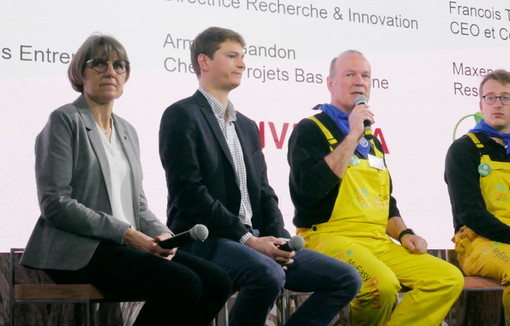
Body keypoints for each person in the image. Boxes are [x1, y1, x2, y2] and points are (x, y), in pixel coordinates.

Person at [20, 33, 231, 326]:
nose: (110, 71)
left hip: (124, 247)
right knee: (184, 284)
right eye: (99, 64)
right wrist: (129, 234)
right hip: (80, 251)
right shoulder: (65, 120)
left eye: (119, 65)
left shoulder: (127, 130)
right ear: (80, 72)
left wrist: (165, 235)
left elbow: (139, 205)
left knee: (217, 281)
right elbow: (55, 203)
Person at [159, 27, 361, 326]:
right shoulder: (182, 115)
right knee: (267, 274)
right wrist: (246, 239)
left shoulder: (248, 126)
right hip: (208, 240)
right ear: (204, 61)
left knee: (346, 278)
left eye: (243, 57)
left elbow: (264, 191)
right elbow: (188, 193)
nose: (242, 64)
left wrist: (278, 238)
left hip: (254, 238)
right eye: (231, 56)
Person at [287, 50, 464, 326]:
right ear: (331, 83)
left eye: (365, 76)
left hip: (376, 241)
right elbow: (308, 191)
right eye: (350, 74)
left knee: (447, 278)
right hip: (327, 237)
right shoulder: (310, 129)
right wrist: (353, 135)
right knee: (380, 285)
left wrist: (404, 233)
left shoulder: (373, 141)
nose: (360, 81)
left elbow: (386, 202)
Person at [445, 69, 510, 323]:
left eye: (505, 98)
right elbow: (469, 213)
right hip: (477, 242)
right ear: (480, 104)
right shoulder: (464, 149)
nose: (497, 104)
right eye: (491, 97)